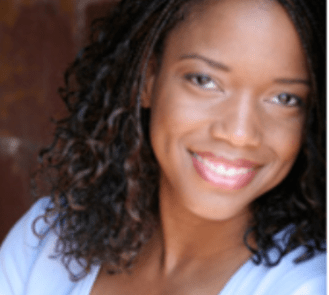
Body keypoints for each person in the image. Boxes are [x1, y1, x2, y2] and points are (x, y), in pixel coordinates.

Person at [0, 0, 325, 294]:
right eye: (204, 80)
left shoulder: (306, 286)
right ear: (149, 79)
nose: (239, 134)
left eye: (285, 99)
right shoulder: (45, 243)